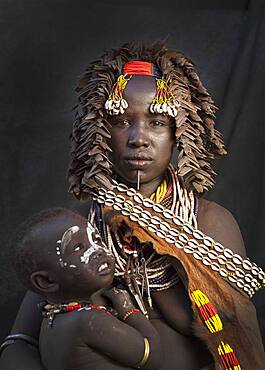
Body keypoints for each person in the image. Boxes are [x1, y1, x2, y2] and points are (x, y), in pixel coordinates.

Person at [1, 41, 264, 370]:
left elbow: (235, 340)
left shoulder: (208, 223)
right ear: (99, 131)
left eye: (157, 122)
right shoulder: (78, 226)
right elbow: (19, 342)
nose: (139, 137)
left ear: (178, 133)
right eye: (122, 121)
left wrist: (155, 240)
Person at [13, 207, 162, 370]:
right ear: (46, 281)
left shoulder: (52, 322)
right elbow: (153, 357)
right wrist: (127, 307)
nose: (97, 250)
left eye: (96, 239)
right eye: (78, 248)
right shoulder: (88, 321)